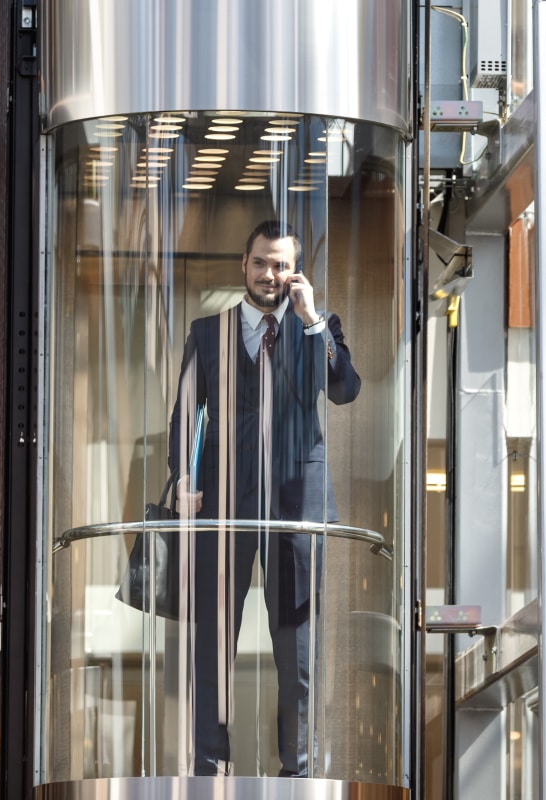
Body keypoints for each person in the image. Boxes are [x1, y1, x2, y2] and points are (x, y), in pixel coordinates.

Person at [167, 219, 361, 777]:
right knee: (213, 649)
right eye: (261, 262)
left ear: (294, 272)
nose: (270, 274)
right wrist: (184, 477)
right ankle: (210, 769)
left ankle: (296, 772)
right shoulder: (209, 333)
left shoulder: (314, 329)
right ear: (243, 265)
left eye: (281, 265)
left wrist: (312, 320)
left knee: (295, 655)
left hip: (296, 512)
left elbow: (345, 389)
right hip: (222, 509)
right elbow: (185, 417)